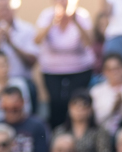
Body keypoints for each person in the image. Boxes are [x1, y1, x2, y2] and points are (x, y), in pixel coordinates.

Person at [34, 1, 94, 130]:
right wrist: (52, 22)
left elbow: (89, 42)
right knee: (55, 103)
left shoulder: (82, 16)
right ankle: (57, 132)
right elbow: (37, 40)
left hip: (79, 68)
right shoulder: (47, 15)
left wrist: (75, 21)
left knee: (74, 102)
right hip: (52, 70)